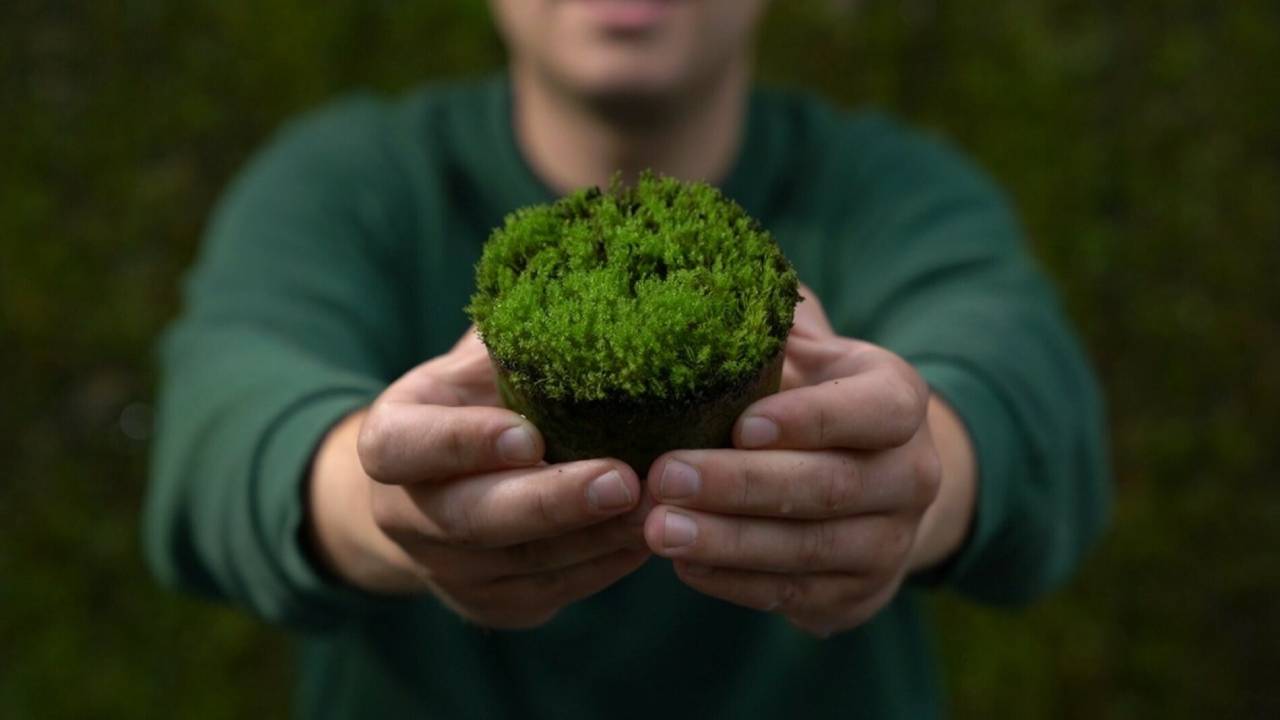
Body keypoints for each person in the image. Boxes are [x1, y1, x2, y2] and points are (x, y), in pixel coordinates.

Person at [144, 1, 1111, 717]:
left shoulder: (892, 190)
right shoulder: (350, 183)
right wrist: (381, 501)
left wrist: (914, 474)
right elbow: (224, 415)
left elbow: (1020, 379)